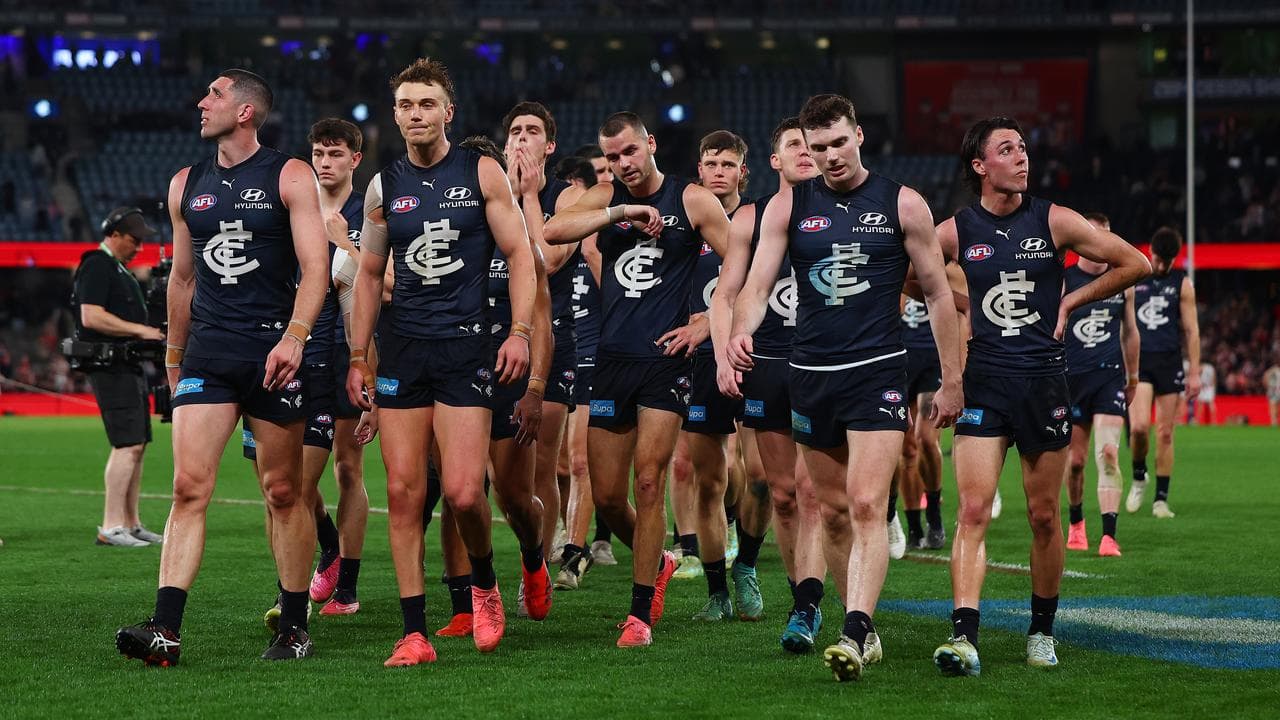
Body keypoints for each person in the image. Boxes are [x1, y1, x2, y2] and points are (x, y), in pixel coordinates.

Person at [727, 94, 964, 682]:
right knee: (831, 513)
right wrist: (740, 331)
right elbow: (756, 287)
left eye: (839, 142)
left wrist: (952, 378)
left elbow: (938, 293)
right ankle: (866, 629)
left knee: (864, 504)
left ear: (858, 135)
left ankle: (854, 630)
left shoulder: (902, 203)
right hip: (810, 376)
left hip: (877, 372)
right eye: (818, 147)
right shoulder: (789, 206)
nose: (830, 155)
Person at [115, 69, 330, 666]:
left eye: (214, 94)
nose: (201, 102)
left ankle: (293, 627)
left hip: (273, 355)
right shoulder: (186, 183)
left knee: (283, 491)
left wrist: (295, 338)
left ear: (245, 111)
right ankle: (165, 628)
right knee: (188, 487)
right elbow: (182, 279)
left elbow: (316, 268)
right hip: (208, 354)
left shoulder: (290, 174)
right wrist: (173, 357)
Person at [931, 117, 1149, 676]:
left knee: (1044, 515)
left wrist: (1072, 301)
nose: (1022, 157)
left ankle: (1041, 631)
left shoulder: (1054, 219)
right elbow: (912, 274)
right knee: (972, 511)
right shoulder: (956, 230)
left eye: (1023, 148)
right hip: (983, 383)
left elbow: (1136, 263)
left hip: (1044, 382)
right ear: (980, 166)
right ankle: (964, 636)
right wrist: (962, 305)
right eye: (1007, 150)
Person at [345, 58, 534, 666]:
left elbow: (521, 255)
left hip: (465, 349)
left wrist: (521, 332)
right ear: (395, 114)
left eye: (426, 104)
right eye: (405, 105)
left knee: (462, 492)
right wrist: (358, 356)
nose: (415, 114)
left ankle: (484, 581)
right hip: (404, 350)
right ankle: (414, 633)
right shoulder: (383, 185)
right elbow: (369, 275)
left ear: (448, 112)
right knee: (403, 493)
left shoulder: (480, 171)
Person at [545, 111, 730, 647]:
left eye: (630, 151)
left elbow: (744, 265)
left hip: (665, 361)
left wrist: (705, 321)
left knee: (648, 481)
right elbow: (552, 232)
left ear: (650, 144)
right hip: (611, 360)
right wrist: (621, 210)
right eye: (612, 157)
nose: (623, 163)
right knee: (606, 497)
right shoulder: (607, 198)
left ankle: (639, 612)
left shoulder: (692, 200)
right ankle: (661, 562)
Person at [710, 116, 832, 652]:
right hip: (767, 361)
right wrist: (724, 355)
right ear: (775, 160)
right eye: (793, 145)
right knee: (781, 494)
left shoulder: (844, 211)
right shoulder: (751, 217)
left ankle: (810, 605)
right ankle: (800, 596)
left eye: (811, 144)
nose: (806, 152)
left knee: (813, 493)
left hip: (825, 362)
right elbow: (725, 294)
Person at [503, 102, 585, 573]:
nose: (521, 137)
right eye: (515, 130)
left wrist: (530, 196)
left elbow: (548, 261)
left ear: (549, 146)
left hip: (551, 340)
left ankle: (533, 572)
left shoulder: (568, 197)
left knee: (544, 466)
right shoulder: (488, 192)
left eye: (532, 131)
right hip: (497, 340)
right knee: (498, 473)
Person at [671, 130, 750, 620]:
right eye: (711, 164)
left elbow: (759, 283)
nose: (719, 172)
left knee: (756, 473)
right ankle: (717, 588)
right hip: (698, 360)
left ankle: (740, 530)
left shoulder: (756, 221)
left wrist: (713, 321)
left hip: (749, 353)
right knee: (706, 473)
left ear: (743, 171)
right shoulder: (684, 221)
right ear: (699, 170)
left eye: (728, 164)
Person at [72, 207, 166, 547]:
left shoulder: (116, 268)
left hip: (127, 365)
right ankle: (111, 526)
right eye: (133, 239)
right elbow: (91, 316)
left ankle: (131, 522)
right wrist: (141, 330)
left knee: (137, 444)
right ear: (113, 235)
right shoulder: (97, 264)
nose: (139, 247)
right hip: (110, 366)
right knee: (127, 444)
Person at [1063, 212, 1139, 557]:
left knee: (1109, 453)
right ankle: (1076, 522)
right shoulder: (1065, 280)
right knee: (1076, 461)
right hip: (1072, 379)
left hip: (1109, 376)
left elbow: (1130, 331)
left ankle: (1109, 535)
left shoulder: (1122, 280)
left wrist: (1133, 376)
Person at [1127, 227, 1200, 519]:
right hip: (1140, 361)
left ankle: (1160, 499)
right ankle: (1138, 474)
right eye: (1158, 260)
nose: (1161, 266)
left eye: (1167, 262)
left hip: (1169, 362)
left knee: (1166, 433)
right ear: (1151, 252)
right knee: (1138, 428)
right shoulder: (1136, 276)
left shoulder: (1182, 283)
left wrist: (1194, 372)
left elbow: (1192, 330)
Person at [897, 295, 948, 551]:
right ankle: (914, 528)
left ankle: (934, 515)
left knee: (926, 439)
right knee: (907, 450)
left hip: (932, 356)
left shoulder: (945, 271)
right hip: (900, 357)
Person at [1196, 361, 1217, 425]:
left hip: (1203, 387)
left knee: (1200, 405)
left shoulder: (1201, 367)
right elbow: (1214, 378)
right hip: (1210, 387)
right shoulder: (1211, 368)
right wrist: (1213, 387)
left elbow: (1198, 375)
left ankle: (1197, 421)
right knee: (1211, 404)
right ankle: (1214, 421)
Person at [1266, 360, 1280, 426]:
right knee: (1273, 409)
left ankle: (1274, 423)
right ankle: (1274, 423)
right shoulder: (1272, 370)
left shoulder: (1272, 370)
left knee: (1275, 409)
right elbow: (1266, 377)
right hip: (1273, 392)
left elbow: (1265, 377)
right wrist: (1269, 387)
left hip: (1275, 392)